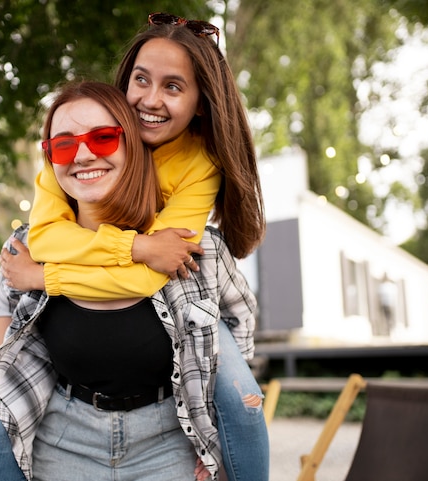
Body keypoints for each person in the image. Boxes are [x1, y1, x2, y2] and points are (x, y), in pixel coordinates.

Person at [22, 13, 269, 481]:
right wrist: (136, 246)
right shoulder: (85, 143)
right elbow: (43, 237)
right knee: (2, 415)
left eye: (173, 87)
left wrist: (48, 276)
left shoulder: (200, 161)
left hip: (187, 299)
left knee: (242, 403)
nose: (150, 100)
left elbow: (155, 270)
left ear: (200, 103)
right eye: (141, 80)